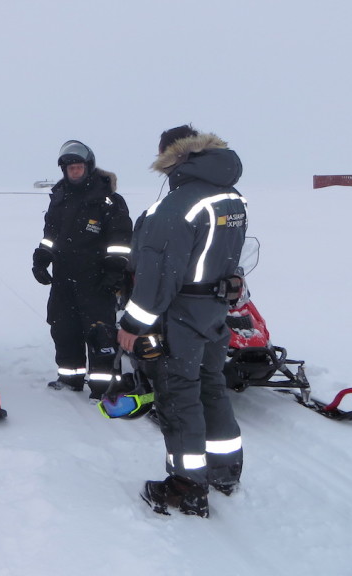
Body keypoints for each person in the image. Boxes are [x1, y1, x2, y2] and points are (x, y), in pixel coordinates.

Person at [117, 125, 248, 518]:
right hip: (215, 310)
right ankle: (224, 471)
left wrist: (134, 324)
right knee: (212, 388)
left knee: (179, 397)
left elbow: (159, 275)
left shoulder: (176, 206)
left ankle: (186, 486)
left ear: (171, 156)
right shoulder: (231, 198)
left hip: (182, 315)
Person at [32, 140, 132, 398]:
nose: (74, 172)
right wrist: (42, 257)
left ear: (88, 167)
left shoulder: (108, 201)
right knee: (63, 328)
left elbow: (120, 242)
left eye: (78, 167)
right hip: (64, 277)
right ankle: (70, 378)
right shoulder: (60, 198)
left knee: (100, 333)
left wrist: (113, 274)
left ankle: (103, 386)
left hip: (96, 279)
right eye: (70, 169)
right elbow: (50, 235)